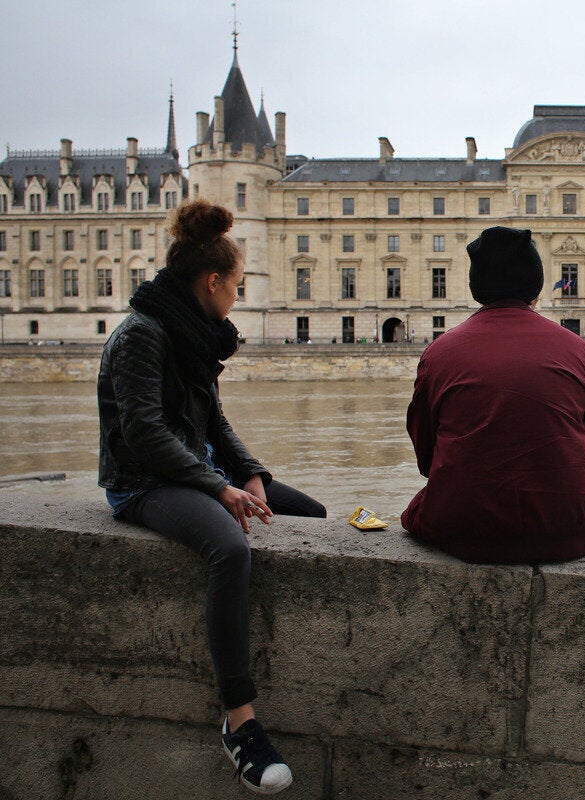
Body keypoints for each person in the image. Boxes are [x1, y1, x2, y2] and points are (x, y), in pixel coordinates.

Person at [97, 198, 325, 795]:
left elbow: (213, 425)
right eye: (238, 287)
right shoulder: (144, 335)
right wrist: (217, 486)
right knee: (230, 547)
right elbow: (144, 434)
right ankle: (240, 723)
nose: (238, 299)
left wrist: (247, 473)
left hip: (194, 469)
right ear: (213, 281)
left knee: (314, 514)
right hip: (142, 483)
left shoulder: (189, 331)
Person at [401, 226, 585, 564]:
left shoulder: (440, 351)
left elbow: (426, 457)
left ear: (477, 288)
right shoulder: (576, 348)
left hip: (461, 527)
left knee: (431, 499)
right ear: (535, 286)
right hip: (568, 527)